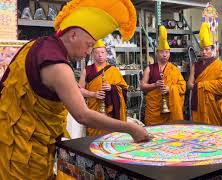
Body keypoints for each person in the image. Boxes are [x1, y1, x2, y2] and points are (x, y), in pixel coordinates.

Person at [0, 1, 150, 179]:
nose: (89, 51)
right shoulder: (58, 66)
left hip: (9, 139)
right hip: (26, 153)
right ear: (72, 35)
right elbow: (82, 115)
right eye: (88, 44)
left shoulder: (35, 45)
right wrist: (129, 128)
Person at [79, 39, 129, 136]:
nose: (100, 55)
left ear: (106, 54)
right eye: (97, 53)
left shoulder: (113, 70)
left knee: (110, 137)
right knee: (94, 138)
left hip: (111, 111)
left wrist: (112, 88)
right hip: (94, 110)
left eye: (102, 52)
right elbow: (79, 89)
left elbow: (124, 88)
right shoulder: (87, 70)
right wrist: (93, 94)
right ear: (93, 55)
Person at [140, 25, 186, 126]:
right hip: (154, 112)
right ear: (157, 53)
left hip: (170, 110)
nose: (164, 55)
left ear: (169, 53)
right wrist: (154, 85)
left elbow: (183, 86)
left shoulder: (174, 69)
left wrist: (170, 89)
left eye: (167, 52)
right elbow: (142, 86)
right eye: (162, 52)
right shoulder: (149, 68)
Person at [187, 22, 222, 125]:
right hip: (198, 103)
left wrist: (201, 85)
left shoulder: (219, 65)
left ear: (212, 50)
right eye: (202, 49)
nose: (204, 52)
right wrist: (198, 86)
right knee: (199, 130)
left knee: (215, 131)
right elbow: (189, 85)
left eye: (207, 49)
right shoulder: (195, 66)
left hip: (213, 104)